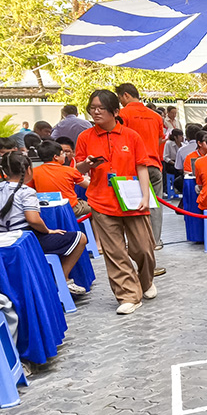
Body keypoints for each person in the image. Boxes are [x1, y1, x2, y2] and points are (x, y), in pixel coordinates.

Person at [75, 89, 158, 315]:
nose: (96, 112)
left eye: (101, 108)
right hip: (101, 201)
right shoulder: (85, 137)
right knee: (115, 252)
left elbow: (142, 167)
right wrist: (87, 165)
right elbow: (78, 169)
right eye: (92, 108)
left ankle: (146, 281)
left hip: (131, 199)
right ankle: (128, 295)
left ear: (114, 110)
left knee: (143, 248)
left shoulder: (131, 136)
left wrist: (144, 196)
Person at [0, 153, 89, 296]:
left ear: (4, 171)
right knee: (80, 238)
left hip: (4, 239)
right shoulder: (26, 192)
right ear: (28, 169)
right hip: (26, 239)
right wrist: (47, 230)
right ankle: (62, 279)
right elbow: (33, 219)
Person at [116, 83, 167, 255]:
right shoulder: (155, 116)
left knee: (133, 204)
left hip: (132, 167)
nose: (120, 102)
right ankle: (156, 240)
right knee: (156, 205)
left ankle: (138, 242)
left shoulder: (123, 114)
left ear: (125, 95)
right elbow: (161, 139)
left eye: (120, 99)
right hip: (154, 164)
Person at [31, 140, 89, 218]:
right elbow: (88, 186)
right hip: (70, 208)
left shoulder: (33, 172)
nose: (64, 155)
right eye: (62, 153)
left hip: (46, 210)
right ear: (56, 157)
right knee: (95, 209)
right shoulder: (70, 170)